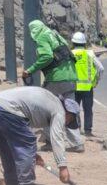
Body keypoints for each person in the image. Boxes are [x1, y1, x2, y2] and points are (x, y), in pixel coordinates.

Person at [0, 86, 80, 185]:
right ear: (68, 112)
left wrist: (31, 154)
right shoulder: (59, 111)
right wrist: (62, 167)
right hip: (6, 109)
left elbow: (24, 127)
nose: (66, 123)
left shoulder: (48, 101)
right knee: (27, 145)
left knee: (6, 147)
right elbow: (56, 139)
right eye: (69, 120)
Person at [20, 20, 82, 149]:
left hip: (56, 78)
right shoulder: (56, 35)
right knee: (70, 110)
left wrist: (30, 71)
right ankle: (77, 143)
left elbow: (47, 56)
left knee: (46, 108)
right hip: (71, 77)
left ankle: (50, 141)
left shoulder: (42, 36)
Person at [71, 31, 104, 137]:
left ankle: (76, 129)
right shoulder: (89, 54)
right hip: (87, 87)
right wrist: (96, 81)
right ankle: (88, 131)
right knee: (88, 110)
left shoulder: (70, 54)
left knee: (74, 109)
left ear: (73, 43)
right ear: (84, 43)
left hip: (73, 87)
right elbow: (101, 68)